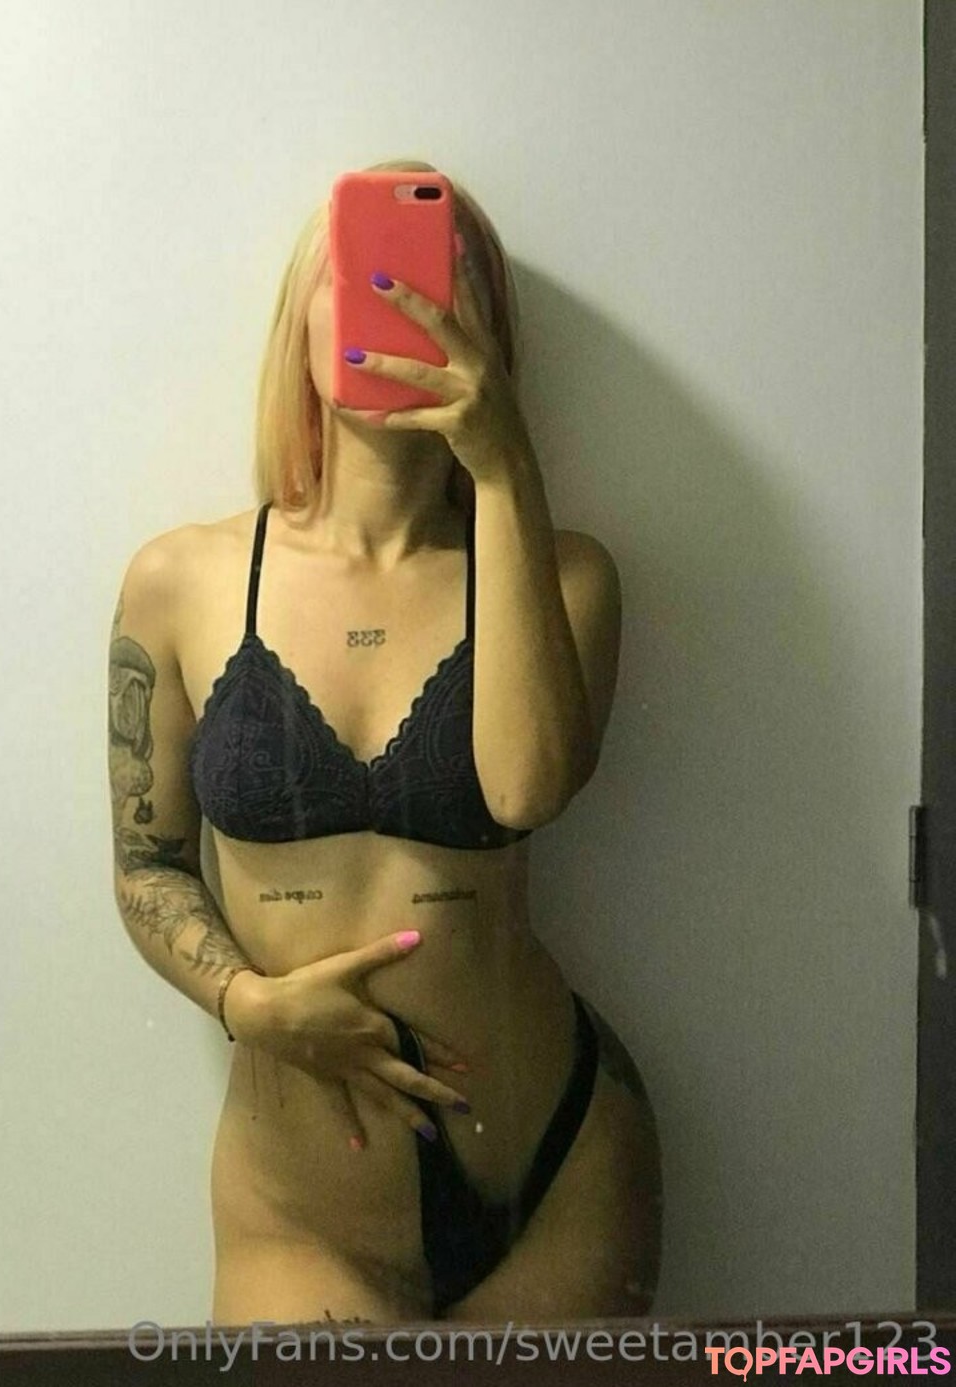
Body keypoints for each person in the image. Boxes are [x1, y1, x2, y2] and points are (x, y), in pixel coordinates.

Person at [107, 159, 662, 1324]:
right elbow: (149, 864)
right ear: (303, 316)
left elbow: (524, 786)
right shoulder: (182, 580)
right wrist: (248, 1004)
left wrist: (505, 464)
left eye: (443, 279)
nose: (405, 300)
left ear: (491, 330)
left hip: (557, 1170)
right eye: (367, 270)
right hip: (301, 1210)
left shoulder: (568, 576)